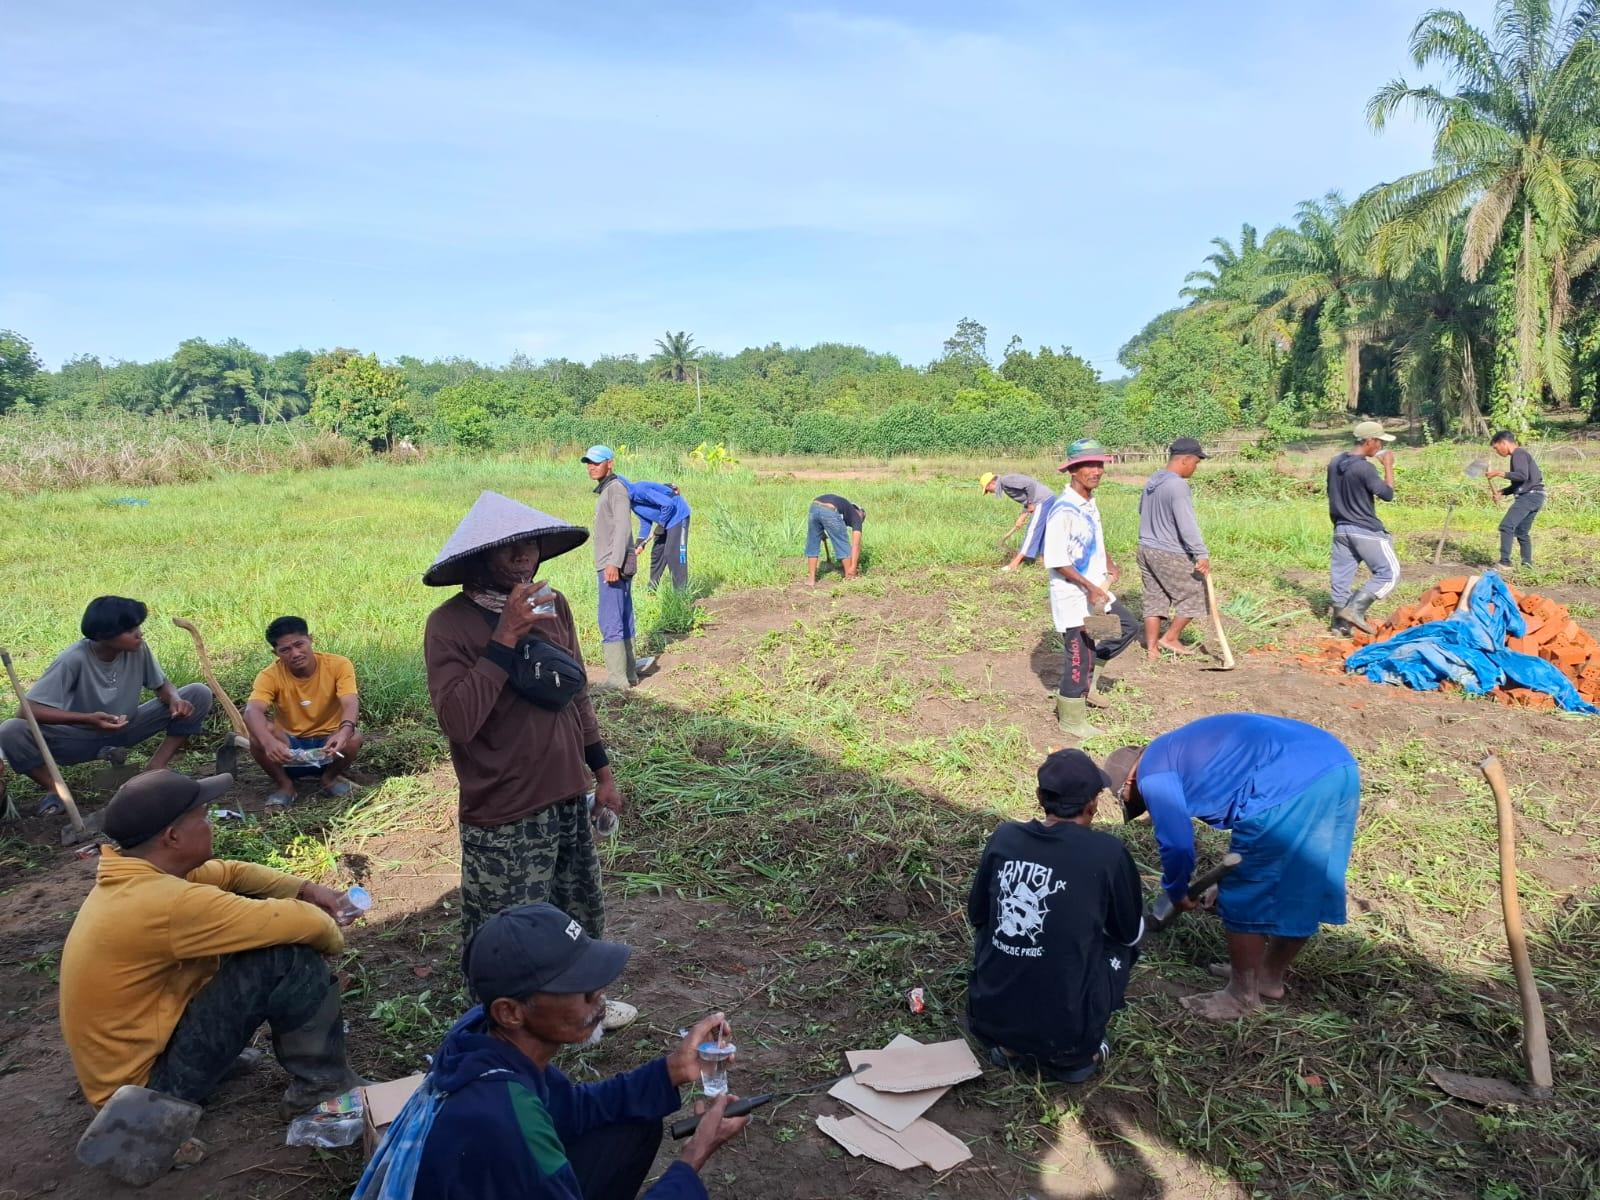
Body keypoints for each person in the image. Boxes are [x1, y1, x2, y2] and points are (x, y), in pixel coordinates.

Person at [422, 491, 635, 1030]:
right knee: (502, 929)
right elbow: (458, 722)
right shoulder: (449, 625)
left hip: (565, 793)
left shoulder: (555, 605)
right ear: (478, 558)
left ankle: (585, 1008)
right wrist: (506, 637)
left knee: (576, 913)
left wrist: (602, 773)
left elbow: (577, 693)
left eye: (529, 544)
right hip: (505, 809)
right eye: (507, 548)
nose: (523, 554)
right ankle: (492, 1027)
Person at [360, 904, 747, 1200]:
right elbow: (531, 1123)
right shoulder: (503, 1120)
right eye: (577, 986)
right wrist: (693, 1157)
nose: (598, 995)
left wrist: (672, 1069)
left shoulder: (483, 1038)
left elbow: (571, 1109)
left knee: (631, 1124)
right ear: (510, 1011)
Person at [58, 770, 360, 1115]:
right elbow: (305, 923)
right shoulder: (168, 902)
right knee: (285, 957)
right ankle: (323, 1088)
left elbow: (232, 872)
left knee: (246, 938)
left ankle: (203, 1060)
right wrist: (333, 932)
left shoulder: (141, 874)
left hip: (132, 1072)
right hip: (143, 1099)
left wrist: (308, 889)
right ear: (172, 837)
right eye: (203, 818)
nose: (212, 824)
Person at [1102, 714, 1361, 1021]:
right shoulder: (1177, 748)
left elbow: (1177, 843)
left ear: (1130, 780)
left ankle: (1241, 997)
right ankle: (1266, 976)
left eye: (1132, 798)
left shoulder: (1152, 773)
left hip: (1286, 780)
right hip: (1335, 766)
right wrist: (1219, 880)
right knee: (1303, 882)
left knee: (1246, 890)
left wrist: (1176, 890)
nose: (1141, 802)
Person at [967, 749, 1143, 1084]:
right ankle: (1080, 1053)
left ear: (1039, 798)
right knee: (1125, 942)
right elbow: (1128, 933)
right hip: (1068, 1032)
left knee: (992, 928)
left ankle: (1008, 1047)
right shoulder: (1107, 853)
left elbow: (977, 915)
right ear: (1092, 804)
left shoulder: (1004, 838)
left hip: (990, 1017)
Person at [0, 596, 213, 815]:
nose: (139, 633)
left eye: (138, 626)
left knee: (198, 693)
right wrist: (87, 719)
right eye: (130, 630)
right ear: (103, 635)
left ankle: (155, 768)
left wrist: (175, 699)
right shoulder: (73, 659)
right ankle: (57, 791)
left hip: (128, 726)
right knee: (10, 730)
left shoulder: (138, 649)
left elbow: (161, 685)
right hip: (77, 738)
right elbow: (26, 711)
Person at [1044, 439, 1140, 738]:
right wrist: (1088, 587)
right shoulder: (1064, 511)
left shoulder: (1088, 502)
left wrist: (1108, 563)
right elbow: (1057, 560)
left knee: (1126, 626)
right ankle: (1071, 718)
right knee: (1079, 654)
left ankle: (1090, 684)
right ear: (1072, 470)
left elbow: (1094, 540)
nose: (1096, 470)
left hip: (1095, 587)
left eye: (1099, 464)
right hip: (1074, 594)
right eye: (1089, 465)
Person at [244, 616, 363, 811]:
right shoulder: (269, 676)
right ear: (275, 653)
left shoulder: (339, 665)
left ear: (311, 639)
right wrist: (268, 742)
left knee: (354, 737)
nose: (295, 653)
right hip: (289, 748)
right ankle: (286, 786)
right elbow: (252, 711)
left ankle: (329, 778)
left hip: (330, 746)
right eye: (285, 650)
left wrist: (344, 732)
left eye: (299, 644)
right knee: (257, 737)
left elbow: (350, 701)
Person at [583, 446, 654, 687]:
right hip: (614, 562)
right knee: (622, 616)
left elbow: (623, 527)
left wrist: (612, 563)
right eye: (588, 463)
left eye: (596, 462)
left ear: (610, 463)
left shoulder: (616, 489)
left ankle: (617, 679)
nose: (591, 467)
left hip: (612, 564)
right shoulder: (609, 489)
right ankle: (630, 674)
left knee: (610, 618)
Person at [1137, 438, 1212, 661]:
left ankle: (1152, 650)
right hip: (1168, 551)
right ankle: (1170, 637)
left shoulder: (1153, 481)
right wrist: (1201, 553)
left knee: (1154, 596)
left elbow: (1141, 511)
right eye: (1196, 463)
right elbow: (1186, 524)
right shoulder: (1178, 485)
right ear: (1186, 459)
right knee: (1195, 593)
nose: (1195, 468)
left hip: (1145, 548)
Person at [1327, 420, 1399, 635]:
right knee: (1389, 573)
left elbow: (1331, 493)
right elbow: (1387, 494)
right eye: (1379, 442)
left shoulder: (1335, 462)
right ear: (1370, 441)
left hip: (1341, 529)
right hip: (1365, 530)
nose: (1379, 447)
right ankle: (1355, 610)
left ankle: (1339, 627)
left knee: (1341, 578)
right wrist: (1387, 465)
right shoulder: (1364, 467)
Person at [1486, 430, 1545, 569]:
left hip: (1529, 497)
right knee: (1522, 532)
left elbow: (1521, 475)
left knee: (1506, 526)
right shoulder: (1520, 455)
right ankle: (1527, 565)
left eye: (1496, 448)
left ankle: (1505, 562)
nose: (1497, 451)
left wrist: (1499, 473)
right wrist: (1503, 492)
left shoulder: (1518, 454)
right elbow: (1519, 483)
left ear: (1503, 443)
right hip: (1536, 496)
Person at [980, 471, 1056, 571]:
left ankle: (1014, 564)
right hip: (1046, 499)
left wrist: (1030, 503)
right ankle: (1044, 561)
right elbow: (1026, 498)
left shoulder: (1006, 481)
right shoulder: (1005, 487)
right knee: (1042, 532)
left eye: (987, 490)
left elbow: (1030, 485)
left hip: (1042, 500)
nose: (989, 492)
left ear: (991, 483)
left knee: (1032, 531)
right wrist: (1022, 517)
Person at [627, 479, 692, 592]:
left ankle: (681, 593)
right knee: (657, 553)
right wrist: (639, 542)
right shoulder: (631, 503)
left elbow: (668, 504)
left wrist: (661, 525)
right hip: (666, 521)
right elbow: (645, 522)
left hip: (678, 516)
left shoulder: (640, 489)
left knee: (673, 553)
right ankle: (652, 588)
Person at [806, 493, 866, 585]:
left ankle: (811, 579)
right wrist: (853, 566)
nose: (861, 522)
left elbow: (822, 515)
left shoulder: (845, 509)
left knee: (813, 542)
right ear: (860, 512)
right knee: (843, 544)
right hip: (830, 509)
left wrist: (821, 532)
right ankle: (849, 577)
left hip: (814, 507)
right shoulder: (857, 516)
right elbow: (856, 545)